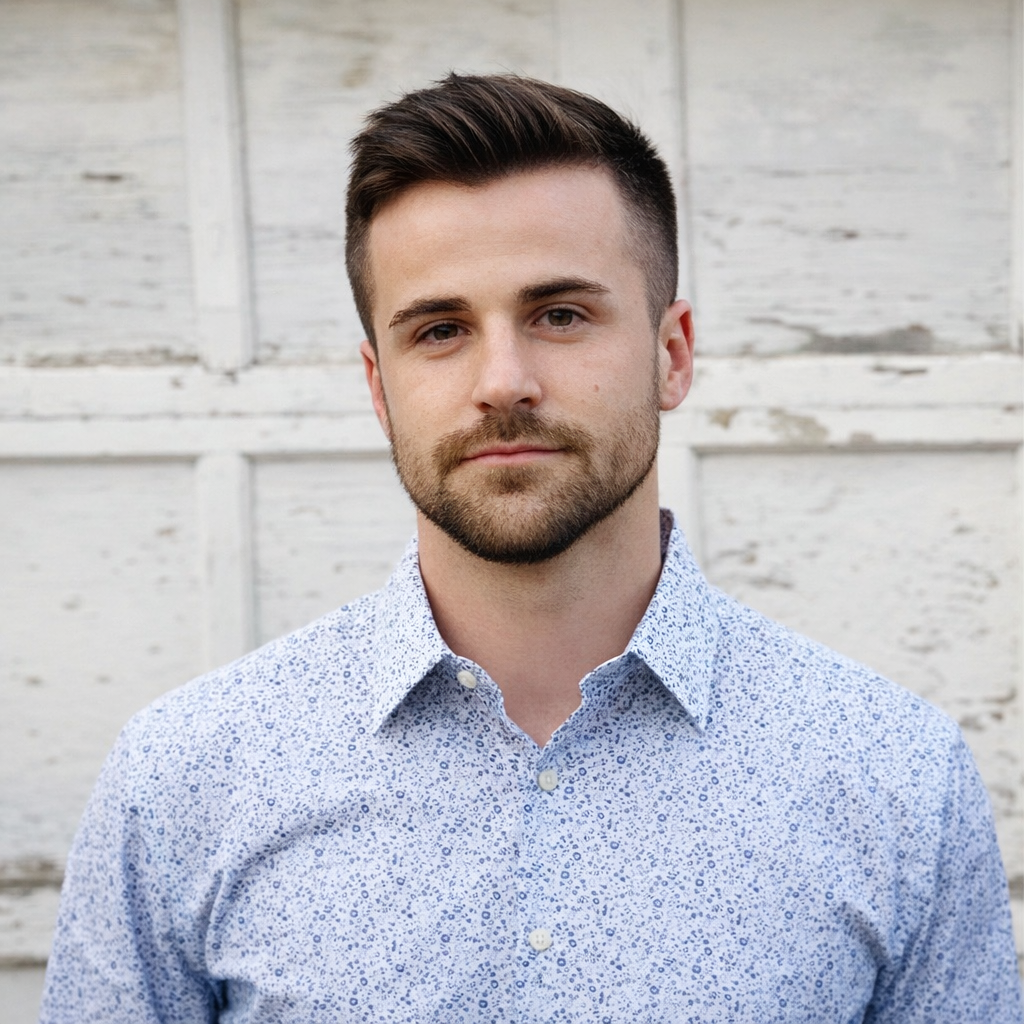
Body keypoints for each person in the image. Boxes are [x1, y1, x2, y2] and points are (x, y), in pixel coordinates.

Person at [41, 73, 1021, 1023]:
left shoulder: (893, 778)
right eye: (438, 329)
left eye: (559, 314)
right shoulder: (185, 779)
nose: (502, 381)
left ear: (671, 353)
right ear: (379, 386)